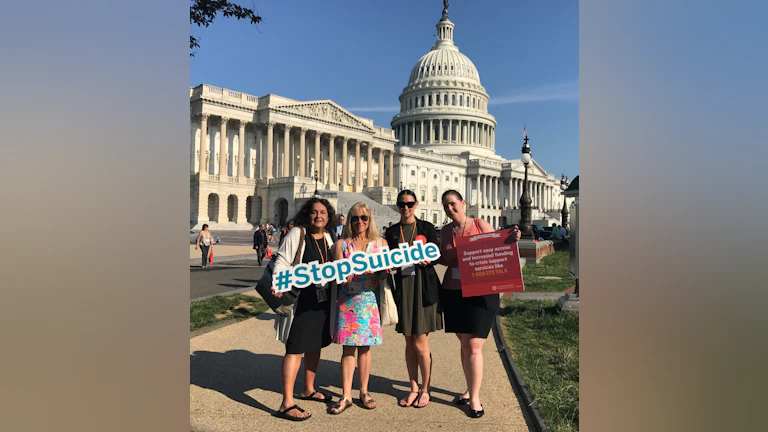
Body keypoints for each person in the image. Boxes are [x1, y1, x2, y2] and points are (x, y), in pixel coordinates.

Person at [438, 190, 520, 418]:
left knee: (474, 345)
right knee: (465, 344)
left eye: (453, 204)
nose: (450, 208)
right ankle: (469, 388)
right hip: (453, 292)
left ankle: (474, 399)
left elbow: (499, 246)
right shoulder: (445, 231)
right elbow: (444, 259)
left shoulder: (479, 224)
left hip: (480, 292)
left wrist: (512, 237)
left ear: (463, 203)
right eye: (446, 206)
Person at [270, 198, 337, 421]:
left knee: (315, 345)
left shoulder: (329, 237)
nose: (319, 216)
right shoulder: (297, 234)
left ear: (329, 216)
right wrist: (278, 282)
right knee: (295, 348)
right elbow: (281, 262)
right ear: (307, 214)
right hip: (301, 300)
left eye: (323, 212)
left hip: (321, 300)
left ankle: (308, 388)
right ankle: (286, 402)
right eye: (315, 212)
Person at [384, 190, 442, 409]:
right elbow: (387, 259)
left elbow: (437, 254)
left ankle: (426, 389)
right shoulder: (391, 231)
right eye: (401, 204)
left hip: (424, 287)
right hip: (404, 289)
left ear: (416, 204)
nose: (405, 208)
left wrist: (430, 258)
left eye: (409, 204)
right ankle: (413, 387)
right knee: (409, 343)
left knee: (420, 344)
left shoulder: (426, 228)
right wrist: (387, 266)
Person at [328, 203, 387, 414]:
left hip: (368, 301)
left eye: (364, 218)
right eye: (355, 218)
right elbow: (334, 273)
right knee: (347, 349)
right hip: (347, 301)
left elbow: (386, 273)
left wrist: (383, 271)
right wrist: (343, 276)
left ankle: (364, 391)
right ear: (349, 221)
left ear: (370, 220)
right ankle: (346, 395)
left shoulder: (380, 243)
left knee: (365, 348)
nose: (360, 222)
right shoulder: (341, 244)